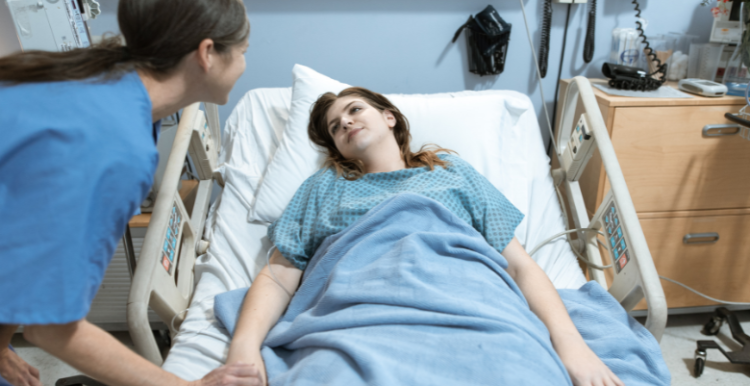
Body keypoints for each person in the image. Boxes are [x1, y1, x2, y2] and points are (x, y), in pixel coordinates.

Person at [225, 87, 625, 386]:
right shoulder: (324, 186)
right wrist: (243, 349)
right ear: (339, 150)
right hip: (358, 313)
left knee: (517, 368)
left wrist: (572, 345)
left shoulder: (450, 171)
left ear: (389, 118)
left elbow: (519, 265)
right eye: (335, 127)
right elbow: (278, 275)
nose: (345, 122)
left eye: (354, 109)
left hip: (472, 300)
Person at [0, 1, 261, 385]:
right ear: (207, 54)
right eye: (242, 53)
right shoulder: (116, 144)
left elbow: (20, 241)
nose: (243, 64)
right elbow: (53, 329)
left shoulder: (104, 81)